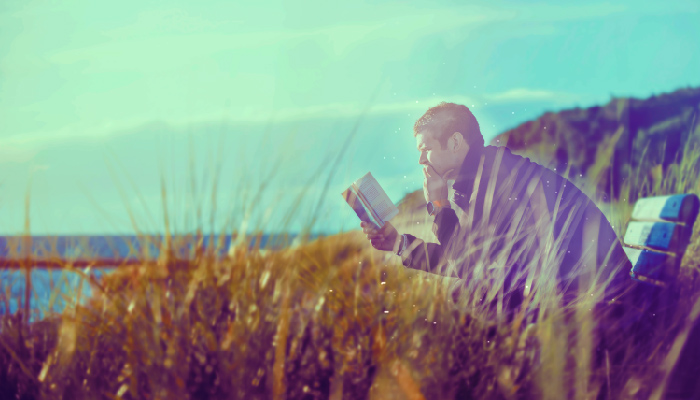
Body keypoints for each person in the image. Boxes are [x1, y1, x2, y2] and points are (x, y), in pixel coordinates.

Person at [360, 102, 646, 395]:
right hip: (580, 285)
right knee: (468, 294)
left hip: (600, 295)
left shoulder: (498, 180)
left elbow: (464, 262)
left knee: (472, 297)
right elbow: (466, 259)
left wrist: (438, 203)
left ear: (456, 142)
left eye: (426, 147)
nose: (420, 158)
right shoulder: (483, 175)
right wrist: (397, 243)